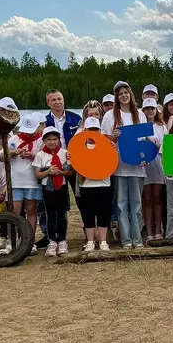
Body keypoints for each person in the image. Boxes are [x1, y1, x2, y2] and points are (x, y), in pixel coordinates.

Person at [101, 81, 148, 249]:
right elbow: (104, 141)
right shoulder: (110, 116)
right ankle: (126, 239)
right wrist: (114, 137)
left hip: (137, 166)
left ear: (131, 94)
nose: (123, 95)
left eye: (126, 92)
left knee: (136, 203)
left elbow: (145, 139)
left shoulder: (140, 114)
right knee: (121, 204)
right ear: (117, 96)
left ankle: (137, 238)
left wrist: (146, 156)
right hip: (119, 166)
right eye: (120, 93)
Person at [0, 114, 44, 256]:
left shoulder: (41, 141)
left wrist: (32, 155)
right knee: (14, 212)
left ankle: (29, 241)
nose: (29, 133)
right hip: (15, 181)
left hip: (32, 181)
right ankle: (11, 241)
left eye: (32, 130)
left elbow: (45, 159)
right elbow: (1, 157)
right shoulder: (14, 139)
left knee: (31, 210)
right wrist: (13, 152)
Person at [32, 127, 74, 256]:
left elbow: (71, 172)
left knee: (62, 214)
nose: (52, 142)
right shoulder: (40, 155)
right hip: (48, 188)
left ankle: (62, 240)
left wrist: (61, 172)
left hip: (61, 187)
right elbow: (37, 174)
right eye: (49, 139)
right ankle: (51, 241)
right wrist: (48, 172)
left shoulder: (64, 153)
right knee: (49, 214)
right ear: (44, 141)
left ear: (59, 140)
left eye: (55, 139)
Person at [76, 117, 113, 251]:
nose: (93, 132)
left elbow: (112, 163)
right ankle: (90, 241)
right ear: (85, 130)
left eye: (95, 129)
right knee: (88, 214)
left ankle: (103, 241)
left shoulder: (107, 145)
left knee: (104, 213)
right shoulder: (79, 146)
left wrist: (112, 150)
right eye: (90, 129)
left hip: (104, 184)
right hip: (86, 185)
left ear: (100, 131)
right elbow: (75, 164)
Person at [142, 98, 165, 242]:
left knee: (157, 198)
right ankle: (148, 230)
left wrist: (151, 141)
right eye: (147, 108)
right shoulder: (140, 126)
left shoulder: (161, 127)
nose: (150, 111)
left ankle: (158, 229)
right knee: (147, 199)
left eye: (152, 108)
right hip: (144, 166)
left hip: (158, 164)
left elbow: (163, 145)